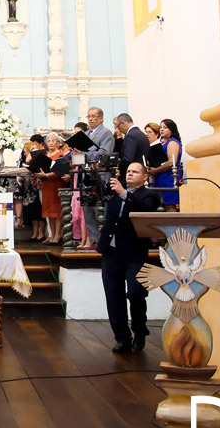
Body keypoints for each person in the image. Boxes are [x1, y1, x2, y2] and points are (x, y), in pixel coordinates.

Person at [97, 162, 160, 353]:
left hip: (134, 253)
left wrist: (124, 193)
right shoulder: (115, 193)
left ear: (145, 177)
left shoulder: (149, 195)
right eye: (128, 171)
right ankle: (122, 338)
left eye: (135, 172)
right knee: (113, 296)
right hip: (112, 252)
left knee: (135, 293)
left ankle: (140, 331)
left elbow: (145, 209)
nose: (130, 174)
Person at [80, 108, 115, 244]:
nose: (90, 119)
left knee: (99, 208)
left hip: (100, 175)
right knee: (87, 209)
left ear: (101, 118)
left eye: (94, 116)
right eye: (88, 116)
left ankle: (103, 240)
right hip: (86, 174)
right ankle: (94, 240)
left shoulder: (106, 133)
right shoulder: (86, 133)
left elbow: (104, 153)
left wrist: (84, 154)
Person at [35, 133, 71, 245]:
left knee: (57, 211)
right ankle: (52, 235)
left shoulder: (61, 155)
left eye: (53, 141)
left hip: (57, 184)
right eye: (49, 141)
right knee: (48, 211)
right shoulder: (45, 155)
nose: (51, 143)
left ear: (58, 143)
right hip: (46, 184)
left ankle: (57, 235)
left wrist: (47, 174)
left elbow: (61, 170)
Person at [18, 135, 48, 241]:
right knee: (33, 209)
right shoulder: (34, 152)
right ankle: (35, 233)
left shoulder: (44, 152)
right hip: (31, 184)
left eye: (35, 144)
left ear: (41, 143)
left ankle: (42, 233)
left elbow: (28, 160)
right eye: (32, 144)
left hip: (40, 182)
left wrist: (32, 152)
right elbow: (26, 162)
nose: (33, 146)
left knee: (40, 209)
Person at [69, 122, 93, 250]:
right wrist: (75, 156)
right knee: (78, 210)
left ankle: (88, 238)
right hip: (79, 177)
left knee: (86, 212)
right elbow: (76, 164)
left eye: (78, 133)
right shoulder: (77, 148)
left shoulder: (90, 146)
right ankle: (82, 238)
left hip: (88, 177)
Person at [152, 119, 183, 212]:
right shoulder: (162, 143)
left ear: (171, 129)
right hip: (161, 177)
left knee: (169, 205)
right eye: (160, 127)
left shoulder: (172, 142)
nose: (162, 129)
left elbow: (171, 162)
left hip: (169, 177)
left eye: (165, 127)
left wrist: (156, 170)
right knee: (162, 205)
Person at [114, 113, 150, 179]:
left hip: (132, 175)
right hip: (141, 173)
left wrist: (116, 164)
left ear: (123, 123)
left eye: (118, 126)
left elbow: (128, 159)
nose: (118, 129)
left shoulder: (131, 136)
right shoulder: (142, 134)